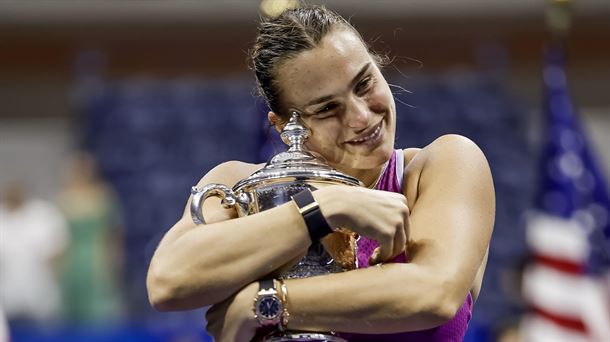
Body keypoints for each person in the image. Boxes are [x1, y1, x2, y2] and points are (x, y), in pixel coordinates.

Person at [146, 5, 495, 341]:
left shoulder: (442, 166)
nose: (361, 117)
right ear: (283, 126)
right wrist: (323, 208)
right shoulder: (242, 184)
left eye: (364, 83)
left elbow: (434, 293)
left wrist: (267, 301)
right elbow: (169, 281)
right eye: (328, 108)